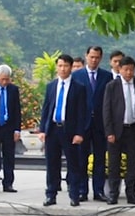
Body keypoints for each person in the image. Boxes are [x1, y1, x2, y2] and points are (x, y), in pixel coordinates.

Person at [101, 55, 135, 204]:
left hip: (133, 130)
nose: (128, 73)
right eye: (125, 69)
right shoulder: (112, 86)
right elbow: (106, 110)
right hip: (116, 130)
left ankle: (131, 194)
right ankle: (113, 194)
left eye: (131, 70)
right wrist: (109, 132)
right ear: (120, 69)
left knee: (132, 165)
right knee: (114, 164)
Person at [40, 54, 86, 207]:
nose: (62, 69)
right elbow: (46, 109)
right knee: (52, 164)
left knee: (73, 164)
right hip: (53, 129)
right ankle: (51, 194)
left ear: (71, 67)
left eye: (65, 66)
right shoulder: (51, 86)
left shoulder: (79, 88)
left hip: (70, 130)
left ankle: (74, 195)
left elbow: (82, 112)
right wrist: (42, 130)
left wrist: (80, 133)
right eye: (60, 66)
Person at [74, 46, 113, 201]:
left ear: (101, 58)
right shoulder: (77, 76)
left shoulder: (107, 76)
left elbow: (109, 102)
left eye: (97, 57)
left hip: (100, 123)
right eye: (91, 57)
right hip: (82, 123)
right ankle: (83, 190)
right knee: (81, 158)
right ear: (86, 56)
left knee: (100, 159)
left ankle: (99, 191)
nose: (94, 60)